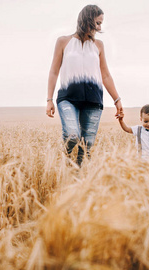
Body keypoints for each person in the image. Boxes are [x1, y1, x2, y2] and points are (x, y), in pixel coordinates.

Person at [46, 4, 123, 166]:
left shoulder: (98, 45)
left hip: (93, 100)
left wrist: (117, 99)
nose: (100, 27)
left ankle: (77, 175)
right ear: (86, 20)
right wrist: (49, 99)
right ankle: (64, 162)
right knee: (73, 135)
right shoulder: (63, 41)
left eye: (101, 23)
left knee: (86, 146)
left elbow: (106, 75)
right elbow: (53, 71)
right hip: (68, 97)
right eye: (97, 22)